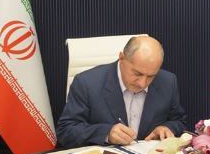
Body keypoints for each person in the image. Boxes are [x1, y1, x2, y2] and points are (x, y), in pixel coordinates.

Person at [57, 35, 187, 147]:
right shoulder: (87, 83)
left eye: (151, 76)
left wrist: (167, 128)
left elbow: (179, 121)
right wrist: (107, 133)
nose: (142, 83)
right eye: (137, 73)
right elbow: (66, 131)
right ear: (122, 58)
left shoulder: (168, 82)